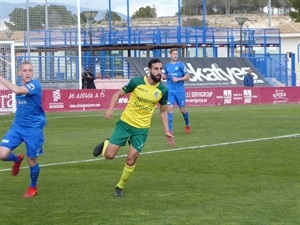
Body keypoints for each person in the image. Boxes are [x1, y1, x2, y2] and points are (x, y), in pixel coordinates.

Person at [93, 58, 175, 197]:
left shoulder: (162, 90)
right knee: (109, 156)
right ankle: (107, 143)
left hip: (141, 130)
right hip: (125, 124)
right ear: (149, 70)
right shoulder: (136, 82)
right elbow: (118, 94)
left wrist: (166, 131)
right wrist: (110, 109)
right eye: (156, 69)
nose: (159, 72)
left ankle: (120, 186)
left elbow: (162, 111)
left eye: (161, 69)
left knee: (131, 160)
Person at [0, 61, 46, 198]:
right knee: (2, 154)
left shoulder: (35, 85)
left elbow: (17, 90)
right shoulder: (20, 86)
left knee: (32, 160)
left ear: (33, 73)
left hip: (33, 130)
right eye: (24, 70)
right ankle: (16, 159)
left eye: (30, 70)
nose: (27, 73)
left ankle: (32, 187)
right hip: (17, 127)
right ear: (19, 73)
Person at [163, 48, 191, 135]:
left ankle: (187, 125)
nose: (175, 55)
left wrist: (178, 79)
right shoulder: (167, 65)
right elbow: (165, 76)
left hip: (179, 91)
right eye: (173, 54)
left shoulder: (181, 65)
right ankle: (170, 130)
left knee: (182, 110)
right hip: (170, 90)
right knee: (169, 108)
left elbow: (188, 77)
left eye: (176, 54)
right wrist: (163, 76)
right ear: (170, 55)